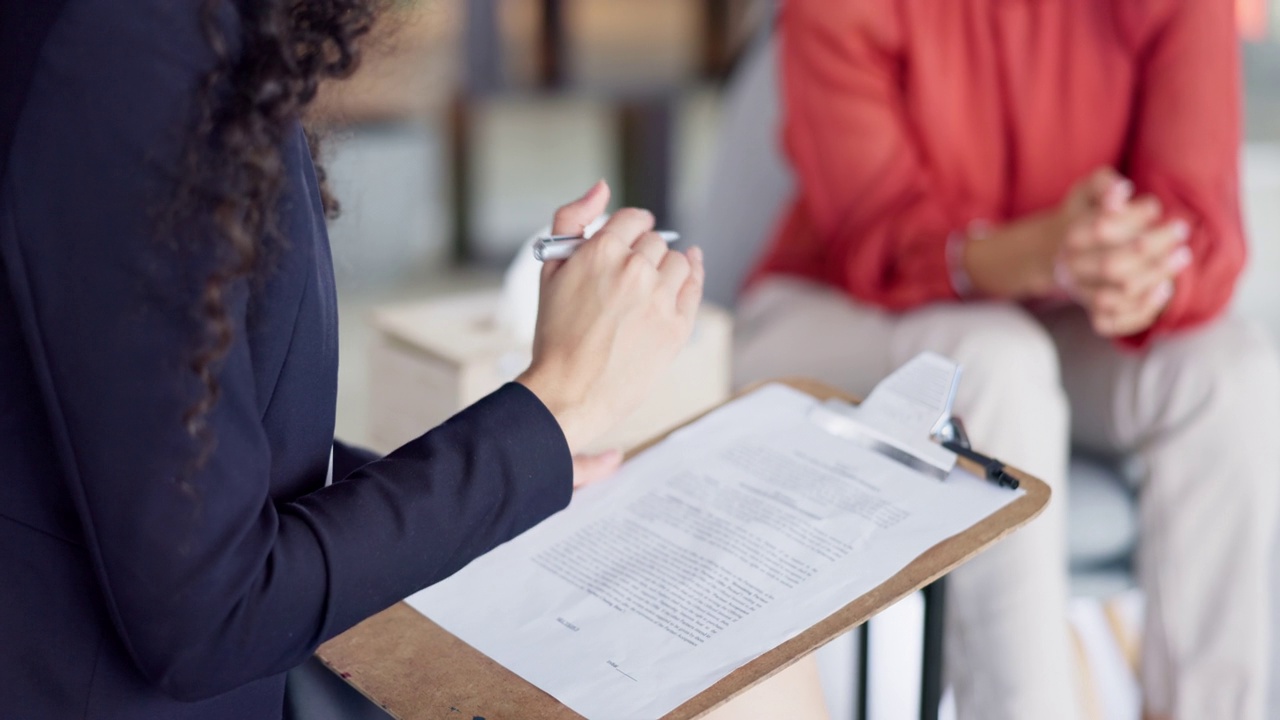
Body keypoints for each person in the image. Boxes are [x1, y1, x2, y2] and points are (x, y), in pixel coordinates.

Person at [0, 1, 708, 717]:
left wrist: (519, 471)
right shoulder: (127, 42)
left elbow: (186, 438)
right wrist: (559, 402)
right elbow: (210, 617)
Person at [733, 1, 1280, 719]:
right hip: (841, 309)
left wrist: (1144, 271)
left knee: (1231, 374)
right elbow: (877, 237)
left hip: (1064, 309)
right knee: (996, 361)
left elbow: (1200, 222)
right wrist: (1039, 251)